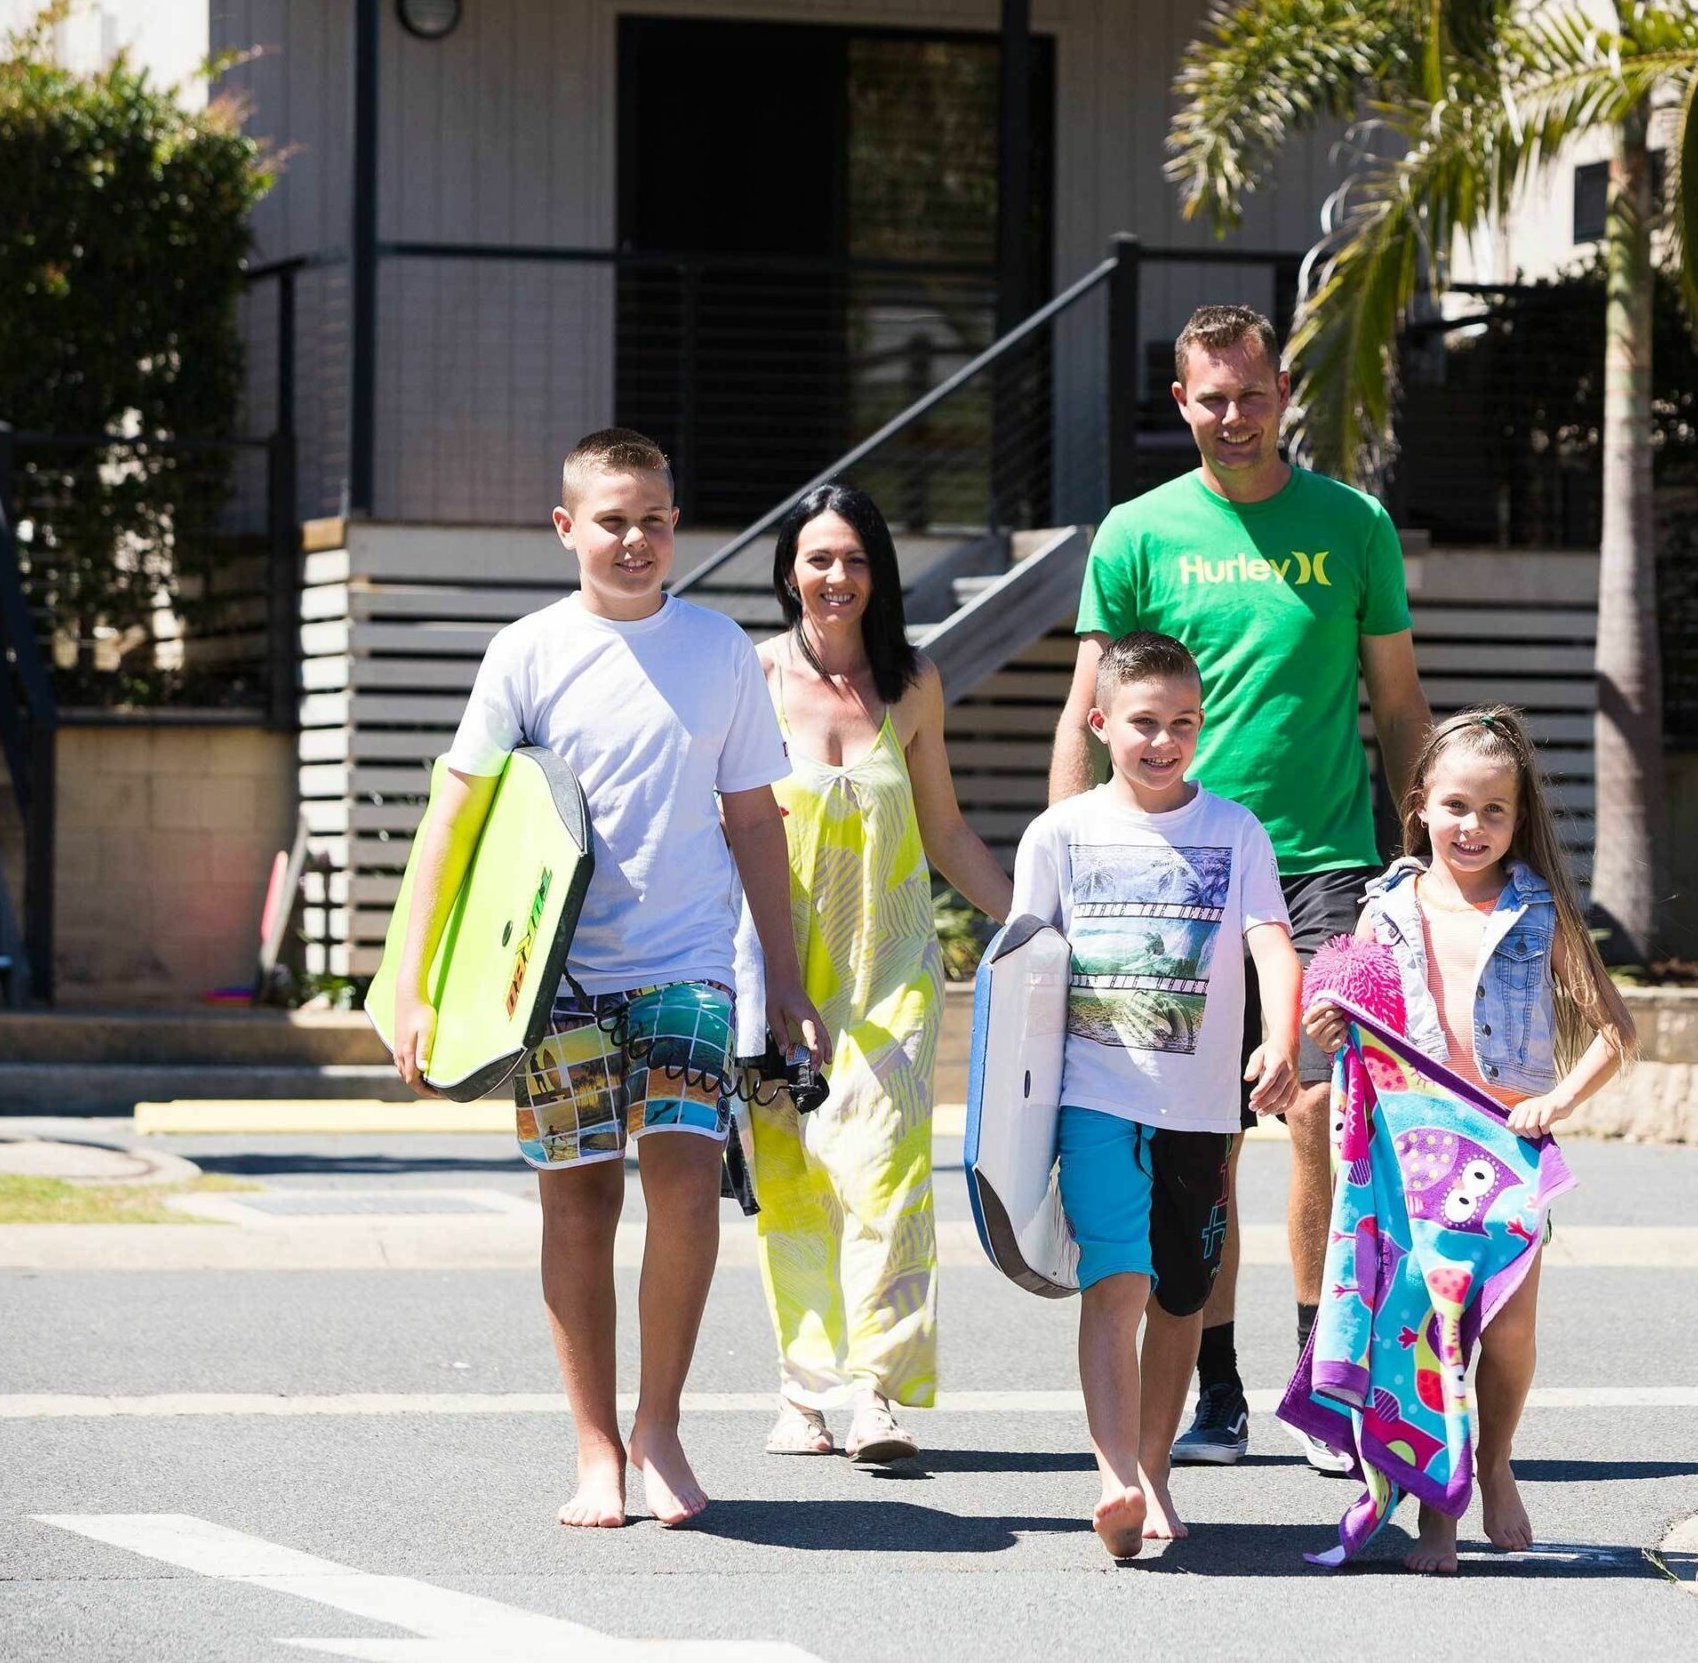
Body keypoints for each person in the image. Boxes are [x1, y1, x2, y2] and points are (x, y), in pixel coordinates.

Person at [389, 428, 828, 1529]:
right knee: (579, 1199)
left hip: (686, 964)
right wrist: (414, 980)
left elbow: (752, 819)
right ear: (567, 527)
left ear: (676, 525)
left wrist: (784, 976)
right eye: (614, 519)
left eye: (655, 519)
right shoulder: (526, 652)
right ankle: (594, 1448)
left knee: (685, 1186)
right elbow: (458, 812)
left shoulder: (722, 648)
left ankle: (660, 1427)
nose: (636, 539)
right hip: (553, 973)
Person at [1049, 304, 1431, 1473]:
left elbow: (1400, 705)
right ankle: (1213, 1383)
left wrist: (1421, 860)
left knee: (1314, 1106)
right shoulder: (1135, 533)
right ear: (1182, 404)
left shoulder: (1353, 526)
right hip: (1169, 873)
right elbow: (1087, 712)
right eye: (1210, 397)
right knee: (1196, 1138)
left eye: (1251, 392)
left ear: (1282, 391)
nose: (1232, 414)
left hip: (1321, 862)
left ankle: (1321, 1377)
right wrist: (1060, 872)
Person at [1304, 705, 1637, 1573]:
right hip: (1408, 1158)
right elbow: (1349, 1027)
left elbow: (1614, 1032)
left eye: (1495, 811)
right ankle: (1435, 1511)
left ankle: (1494, 1459)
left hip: (1505, 1153)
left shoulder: (1538, 910)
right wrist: (1333, 1033)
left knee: (1510, 1329)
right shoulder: (1383, 912)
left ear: (1518, 818)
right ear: (1419, 805)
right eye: (1456, 806)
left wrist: (1554, 1100)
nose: (1474, 826)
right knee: (1421, 1334)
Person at [731, 482, 1012, 1469]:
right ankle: (801, 1394)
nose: (835, 577)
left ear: (877, 573)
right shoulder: (753, 676)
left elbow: (943, 833)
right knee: (795, 1183)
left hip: (889, 974)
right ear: (788, 572)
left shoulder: (914, 683)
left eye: (853, 559)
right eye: (817, 559)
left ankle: (876, 1394)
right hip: (778, 971)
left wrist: (1030, 923)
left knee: (886, 1176)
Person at [1016, 631, 1300, 1558]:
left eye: (1182, 723)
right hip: (1094, 1095)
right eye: (1143, 723)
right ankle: (1115, 1475)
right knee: (1119, 1281)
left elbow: (1271, 944)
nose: (1163, 740)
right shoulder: (1059, 833)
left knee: (1182, 1295)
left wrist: (1282, 1037)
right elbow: (1024, 967)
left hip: (1203, 1109)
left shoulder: (1236, 829)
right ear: (1099, 724)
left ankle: (1157, 1464)